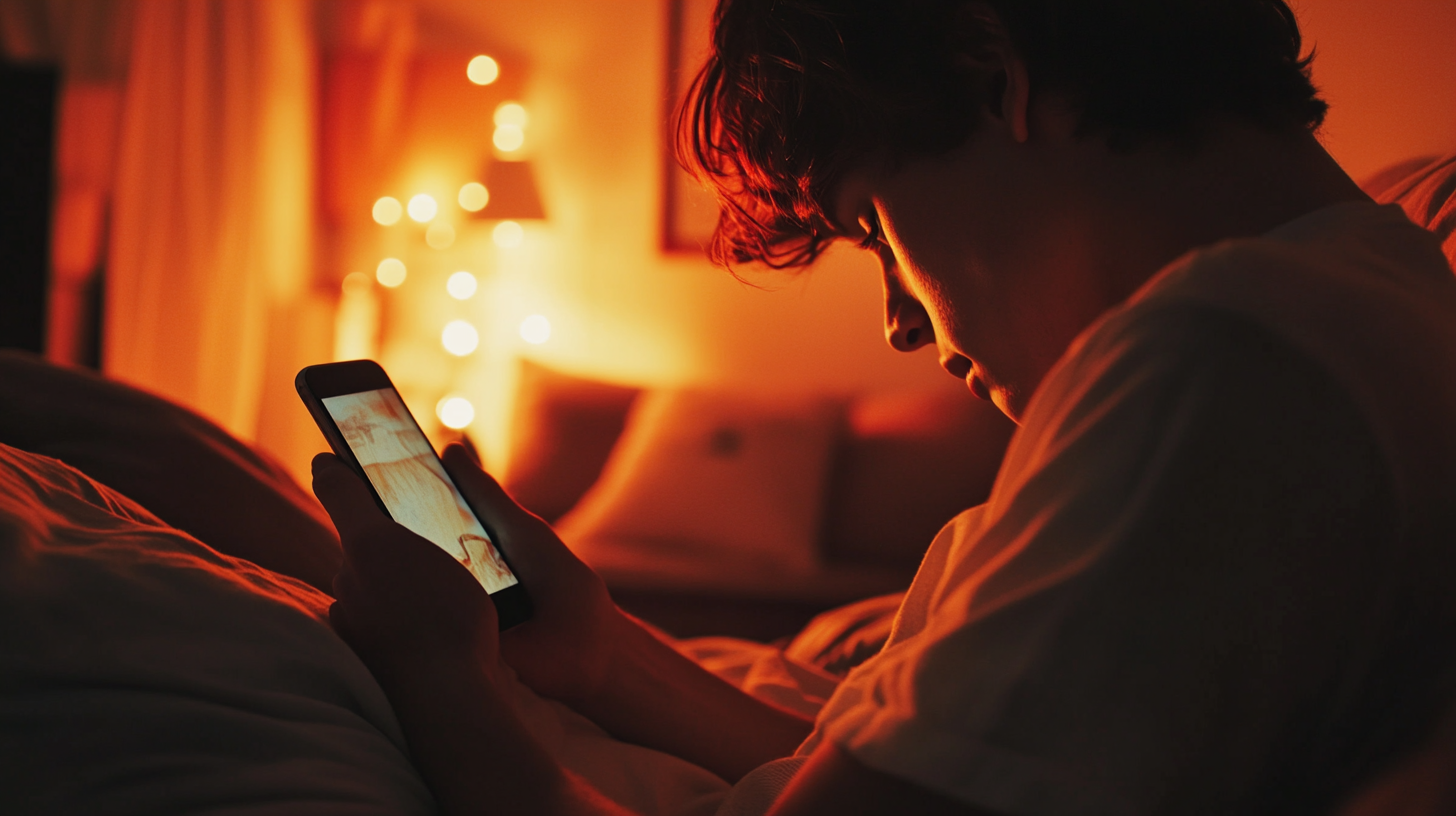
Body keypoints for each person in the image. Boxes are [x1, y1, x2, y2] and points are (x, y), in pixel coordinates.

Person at [313, 1, 1456, 814]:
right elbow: (916, 759)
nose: (900, 327)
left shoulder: (1225, 356)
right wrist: (606, 657)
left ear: (991, 77)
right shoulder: (1376, 292)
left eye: (876, 231)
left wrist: (442, 681)